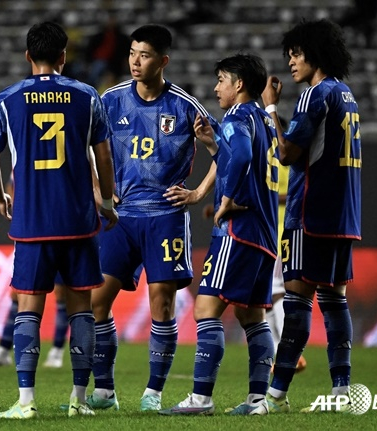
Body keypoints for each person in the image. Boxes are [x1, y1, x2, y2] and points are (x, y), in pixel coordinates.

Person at [0, 21, 118, 419]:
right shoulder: (87, 95)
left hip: (33, 222)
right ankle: (78, 400)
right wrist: (106, 201)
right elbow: (104, 157)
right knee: (80, 309)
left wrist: (1, 196)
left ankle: (25, 402)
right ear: (63, 57)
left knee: (28, 309)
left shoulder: (8, 99)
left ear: (28, 56)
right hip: (78, 221)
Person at [87, 23, 219, 413]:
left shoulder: (184, 105)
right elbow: (82, 147)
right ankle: (105, 391)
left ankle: (153, 392)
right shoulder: (109, 100)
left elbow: (225, 152)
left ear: (163, 61)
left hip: (165, 217)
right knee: (97, 302)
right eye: (131, 53)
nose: (134, 61)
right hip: (121, 218)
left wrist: (197, 193)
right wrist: (98, 191)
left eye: (144, 55)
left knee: (161, 305)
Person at [159, 53, 278, 416]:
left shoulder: (237, 116)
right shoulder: (262, 120)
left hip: (237, 232)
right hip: (265, 235)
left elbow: (240, 157)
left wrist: (225, 200)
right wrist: (212, 145)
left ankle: (200, 398)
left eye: (222, 79)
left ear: (238, 84)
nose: (216, 87)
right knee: (252, 317)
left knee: (206, 307)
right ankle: (258, 400)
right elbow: (236, 156)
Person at [261, 19, 361, 413]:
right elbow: (306, 142)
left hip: (310, 214)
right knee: (335, 300)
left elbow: (287, 154)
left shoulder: (314, 94)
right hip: (344, 216)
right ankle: (341, 393)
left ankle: (276, 395)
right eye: (288, 55)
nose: (291, 62)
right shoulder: (346, 95)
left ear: (315, 54)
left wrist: (270, 107)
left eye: (296, 54)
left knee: (298, 300)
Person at [0, 178, 69, 369]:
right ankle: (3, 350)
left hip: (59, 228)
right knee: (18, 293)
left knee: (61, 293)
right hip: (32, 230)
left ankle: (57, 351)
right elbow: (10, 184)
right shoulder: (24, 154)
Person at [266, 164, 307, 373]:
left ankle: (292, 353)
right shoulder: (270, 152)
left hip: (282, 235)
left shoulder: (286, 159)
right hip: (268, 234)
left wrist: (267, 196)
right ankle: (279, 353)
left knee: (276, 292)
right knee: (264, 298)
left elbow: (295, 192)